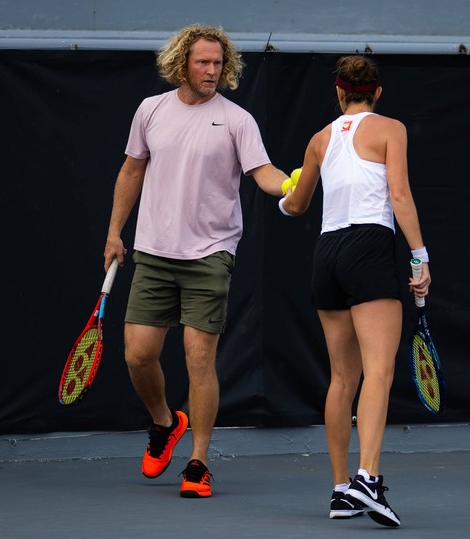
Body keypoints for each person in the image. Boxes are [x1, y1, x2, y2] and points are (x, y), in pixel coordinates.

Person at [103, 24, 289, 499]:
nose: (212, 71)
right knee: (138, 355)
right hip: (152, 251)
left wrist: (290, 186)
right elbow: (132, 169)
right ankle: (166, 422)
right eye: (203, 62)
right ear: (181, 63)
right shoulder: (151, 110)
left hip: (210, 254)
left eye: (218, 63)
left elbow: (262, 172)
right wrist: (113, 233)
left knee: (198, 359)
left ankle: (199, 461)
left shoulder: (236, 120)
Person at [279, 55, 431, 527]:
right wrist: (420, 256)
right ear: (377, 92)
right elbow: (399, 195)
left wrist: (286, 193)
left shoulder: (319, 140)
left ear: (339, 92)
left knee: (342, 379)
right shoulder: (390, 128)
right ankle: (368, 478)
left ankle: (341, 488)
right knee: (379, 372)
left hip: (327, 255)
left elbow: (295, 204)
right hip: (368, 245)